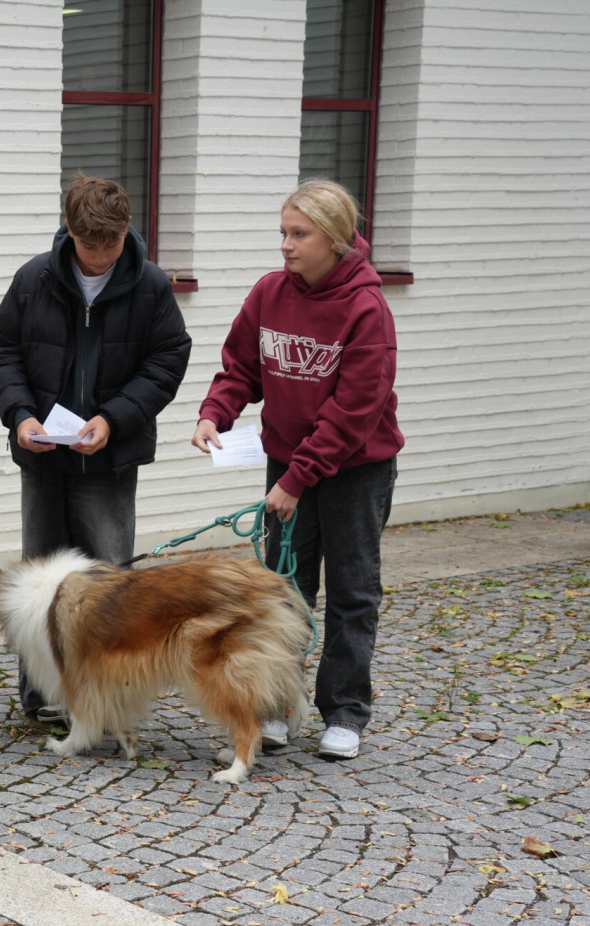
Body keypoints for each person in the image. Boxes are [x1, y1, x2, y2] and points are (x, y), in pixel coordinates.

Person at [191, 178, 404, 761]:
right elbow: (241, 366)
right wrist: (215, 413)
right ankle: (278, 707)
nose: (285, 245)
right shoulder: (269, 293)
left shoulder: (366, 308)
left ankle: (345, 712)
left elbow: (354, 410)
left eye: (299, 234)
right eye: (283, 232)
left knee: (353, 590)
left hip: (356, 469)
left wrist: (296, 479)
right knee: (285, 588)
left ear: (334, 239)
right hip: (289, 463)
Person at [0, 174, 191, 724]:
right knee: (43, 580)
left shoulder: (150, 285)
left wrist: (113, 418)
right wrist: (20, 414)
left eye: (112, 244)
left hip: (109, 460)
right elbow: (6, 350)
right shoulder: (33, 278)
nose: (101, 256)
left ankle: (105, 698)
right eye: (89, 245)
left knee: (107, 581)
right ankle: (44, 694)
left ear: (128, 230)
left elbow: (168, 360)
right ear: (69, 230)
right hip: (43, 457)